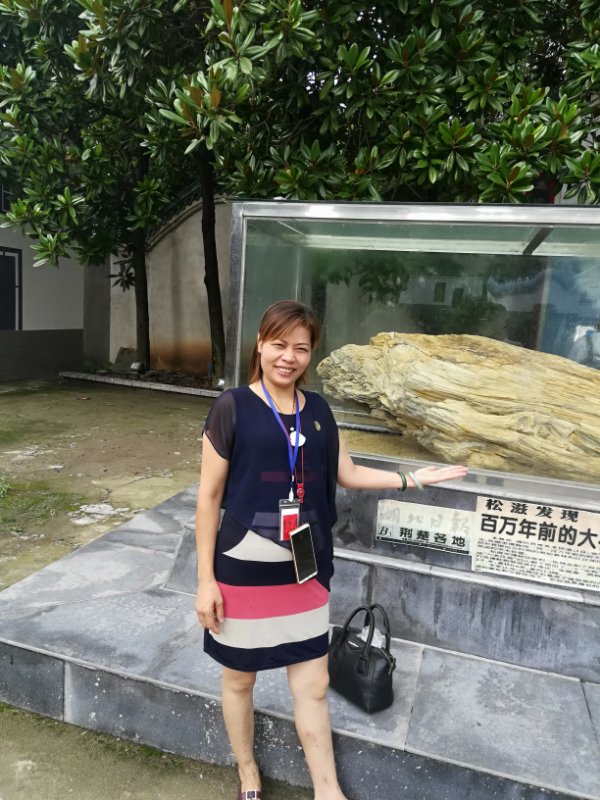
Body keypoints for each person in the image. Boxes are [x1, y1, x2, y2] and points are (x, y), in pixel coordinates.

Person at [195, 300, 468, 800]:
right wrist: (205, 581)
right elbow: (209, 498)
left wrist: (411, 479)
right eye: (279, 345)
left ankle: (327, 788)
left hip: (305, 570)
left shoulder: (318, 411)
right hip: (242, 569)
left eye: (301, 348)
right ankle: (248, 771)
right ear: (260, 344)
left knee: (314, 684)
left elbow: (349, 472)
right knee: (239, 681)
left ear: (311, 353)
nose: (289, 357)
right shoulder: (232, 407)